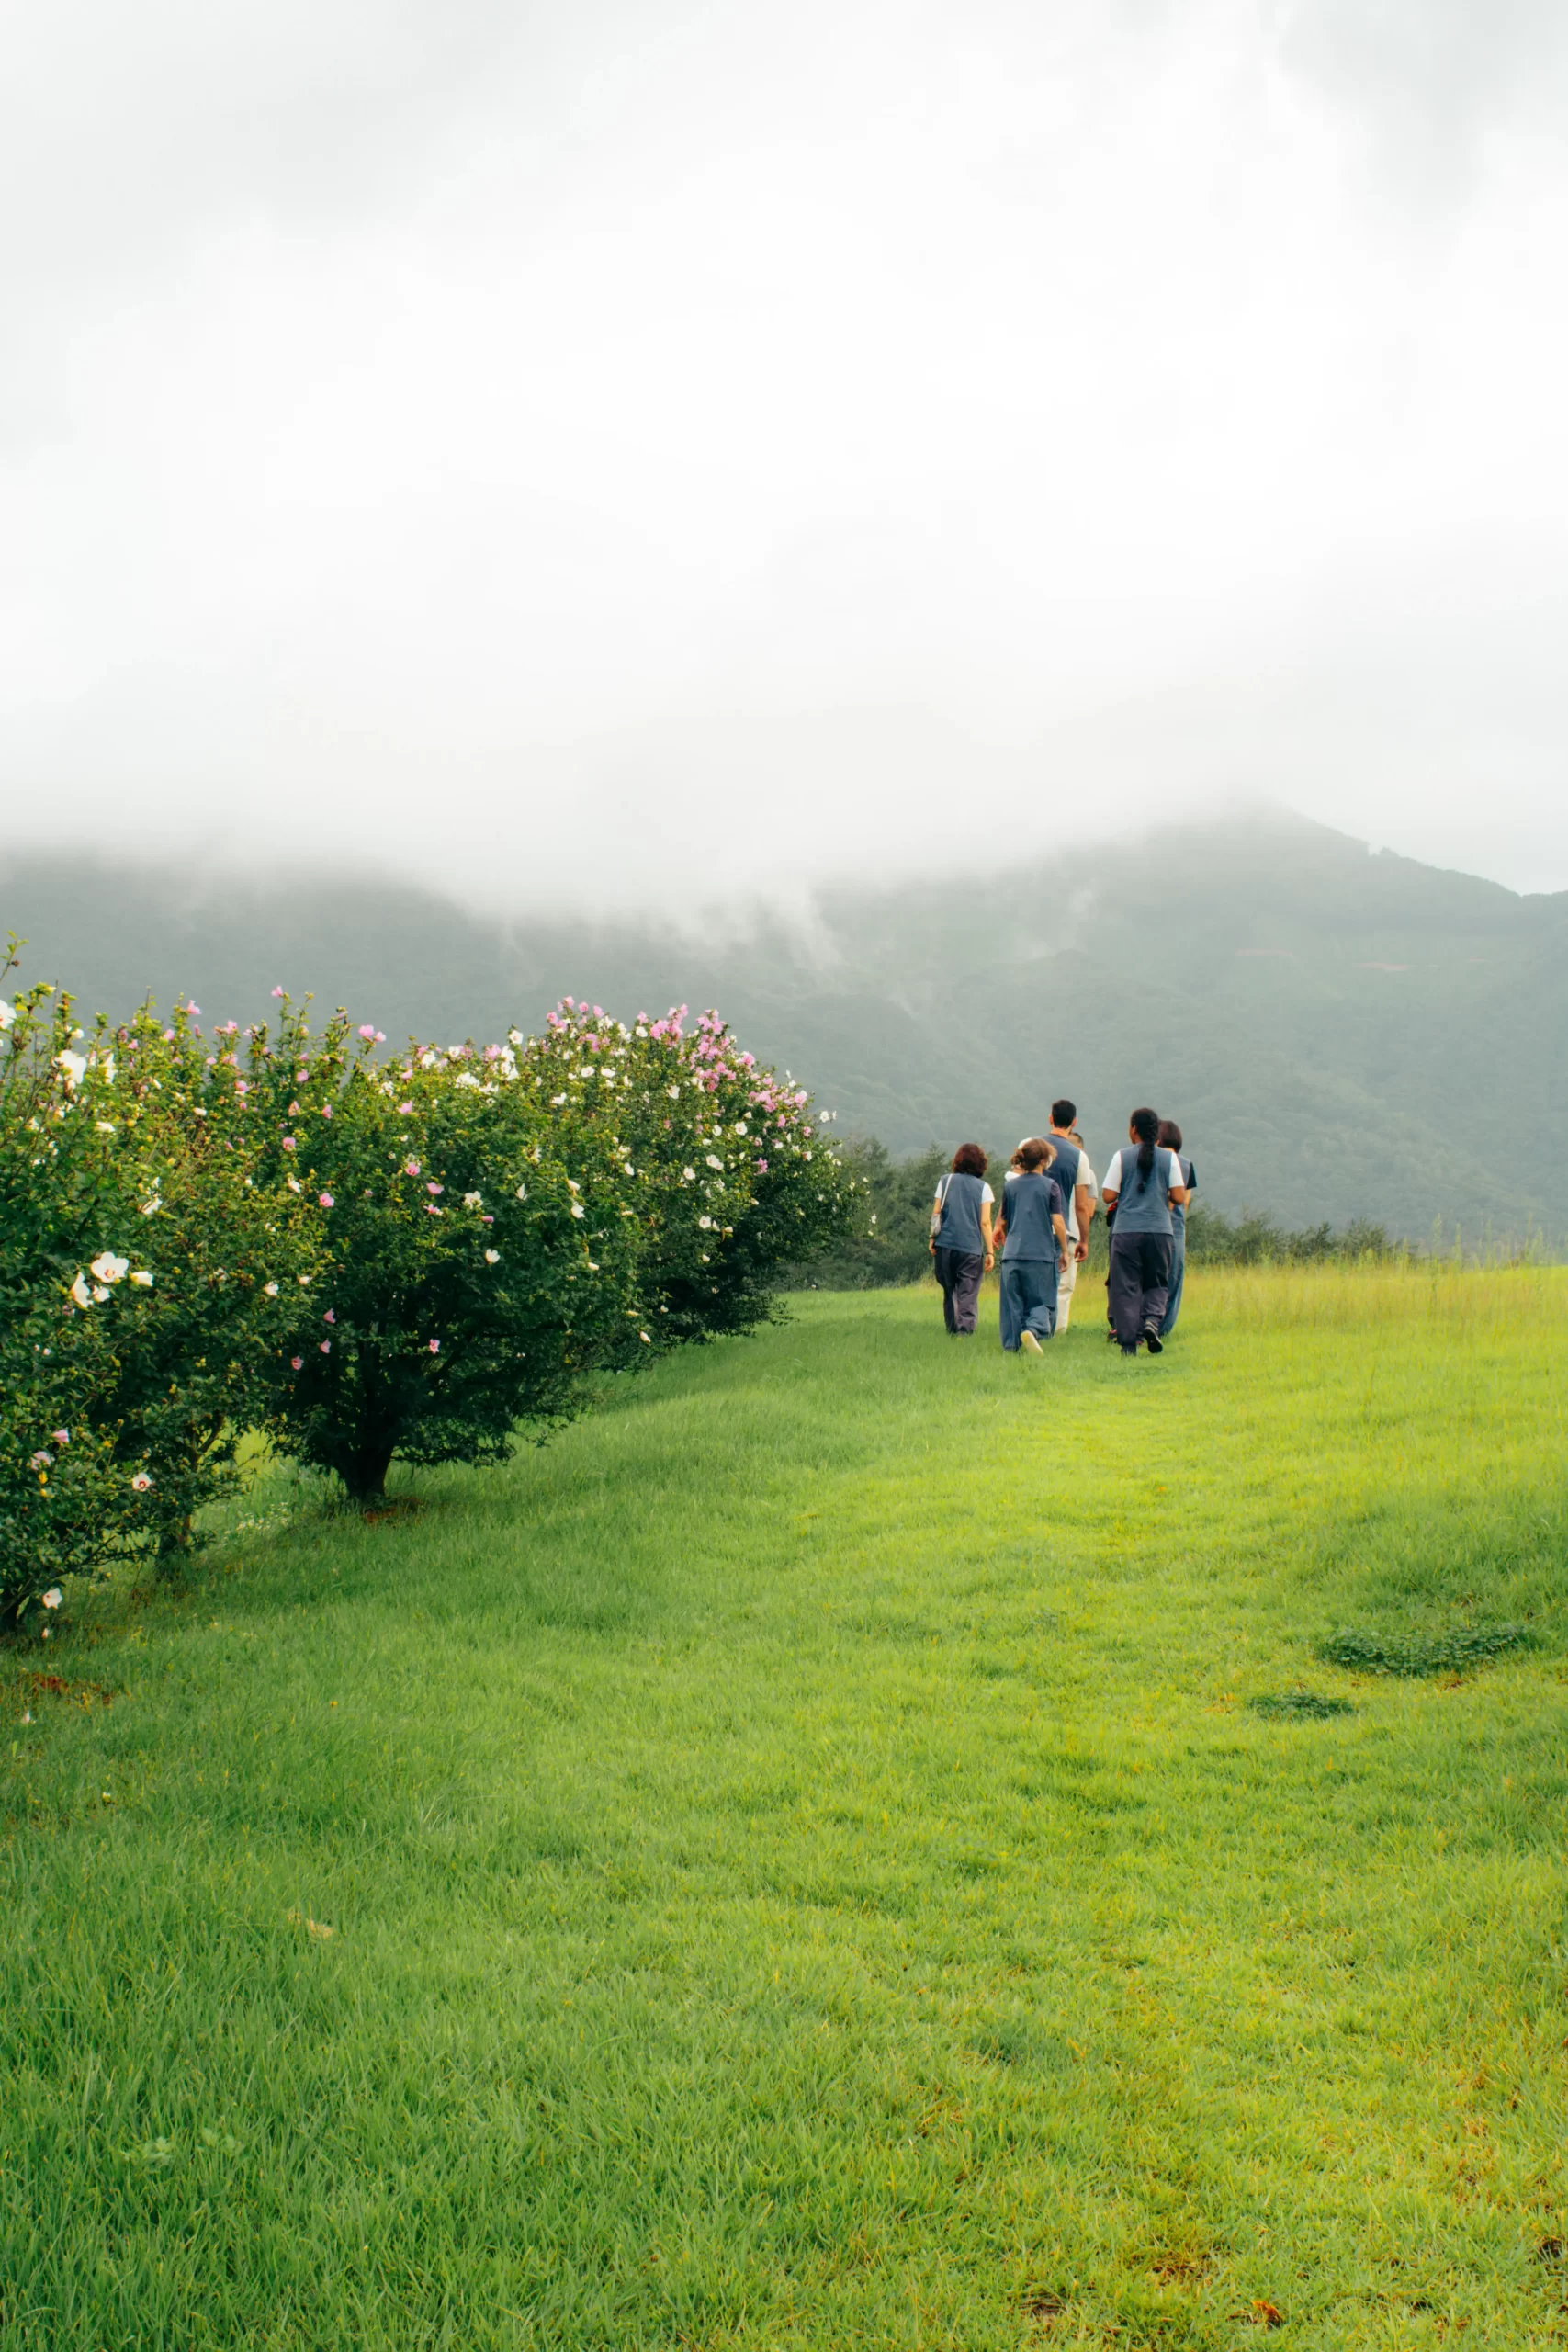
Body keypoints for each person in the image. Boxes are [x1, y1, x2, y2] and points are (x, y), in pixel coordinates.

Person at [1100, 1108, 1189, 1354]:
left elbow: (1108, 1195)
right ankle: (1151, 1322)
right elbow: (1179, 1197)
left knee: (1125, 1287)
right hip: (1160, 1230)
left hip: (1126, 1231)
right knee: (1157, 1283)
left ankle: (1128, 1344)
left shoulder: (1121, 1156)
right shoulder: (1169, 1159)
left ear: (1133, 1130)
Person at [993, 1138, 1072, 1355]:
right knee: (1042, 1300)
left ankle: (1011, 1348)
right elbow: (1057, 1221)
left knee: (1012, 1305)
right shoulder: (1050, 1186)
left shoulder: (1010, 1186)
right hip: (1040, 1254)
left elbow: (1004, 1219)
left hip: (1012, 1255)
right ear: (1045, 1161)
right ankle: (1033, 1330)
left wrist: (998, 1230)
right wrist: (1064, 1251)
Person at [929, 1143, 994, 1335]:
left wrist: (932, 1239)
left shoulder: (945, 1181)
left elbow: (936, 1213)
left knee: (950, 1290)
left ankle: (951, 1329)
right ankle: (964, 1331)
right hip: (971, 1249)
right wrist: (990, 1250)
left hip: (945, 1245)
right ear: (981, 1163)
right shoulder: (984, 1188)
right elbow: (985, 1222)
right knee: (968, 1291)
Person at [1157, 1119, 1196, 1338]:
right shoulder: (1187, 1164)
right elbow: (1185, 1201)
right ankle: (1163, 1328)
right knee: (1173, 1280)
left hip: (1152, 1226)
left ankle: (1145, 1322)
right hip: (1177, 1229)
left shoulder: (1155, 1160)